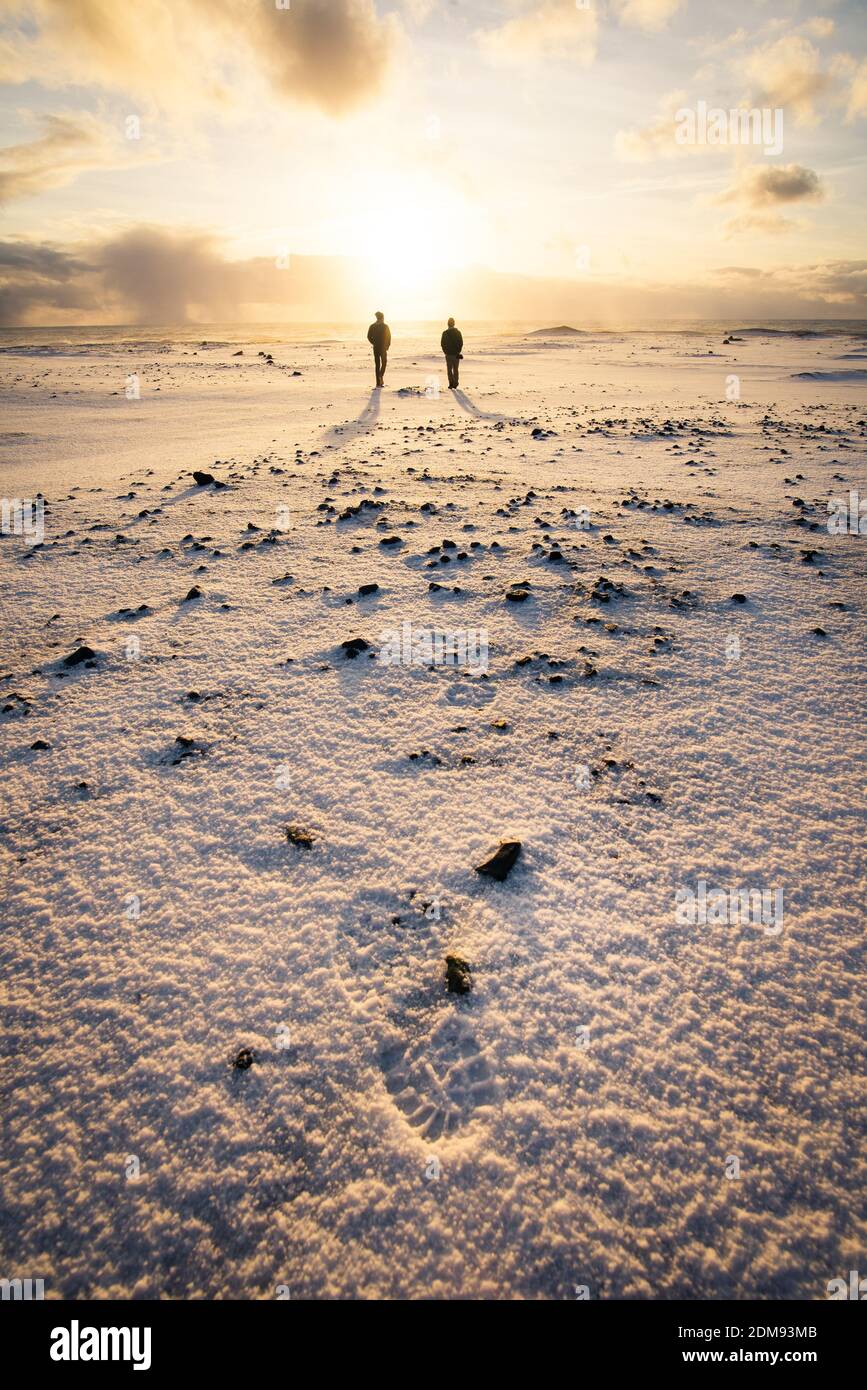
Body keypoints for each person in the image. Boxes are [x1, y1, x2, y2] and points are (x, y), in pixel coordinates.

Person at [367, 311, 391, 387]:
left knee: (377, 365)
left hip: (376, 348)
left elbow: (368, 336)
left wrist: (373, 343)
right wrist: (387, 346)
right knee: (384, 362)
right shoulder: (385, 326)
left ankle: (378, 383)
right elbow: (389, 337)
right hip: (383, 348)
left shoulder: (372, 326)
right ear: (382, 318)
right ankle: (380, 376)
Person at [440, 317, 463, 389]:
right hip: (456, 354)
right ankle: (455, 383)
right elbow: (461, 343)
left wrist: (445, 352)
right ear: (454, 324)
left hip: (448, 354)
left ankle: (451, 384)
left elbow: (442, 344)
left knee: (449, 370)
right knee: (456, 369)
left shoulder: (445, 333)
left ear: (448, 324)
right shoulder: (458, 332)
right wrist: (458, 351)